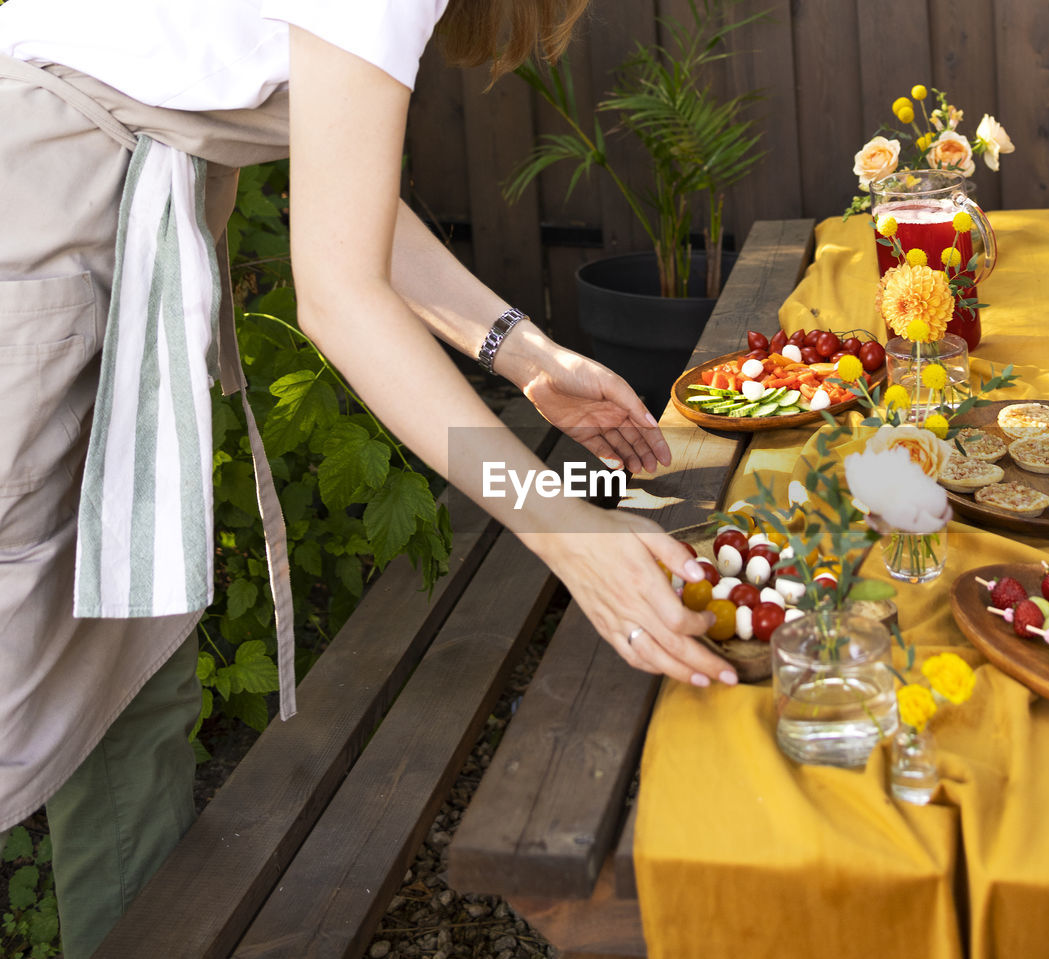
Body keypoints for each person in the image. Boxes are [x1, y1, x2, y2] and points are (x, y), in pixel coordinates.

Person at [0, 1, 736, 953]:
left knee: (131, 686)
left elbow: (344, 196)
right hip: (38, 248)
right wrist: (564, 531)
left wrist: (524, 356)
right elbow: (340, 301)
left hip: (102, 251)